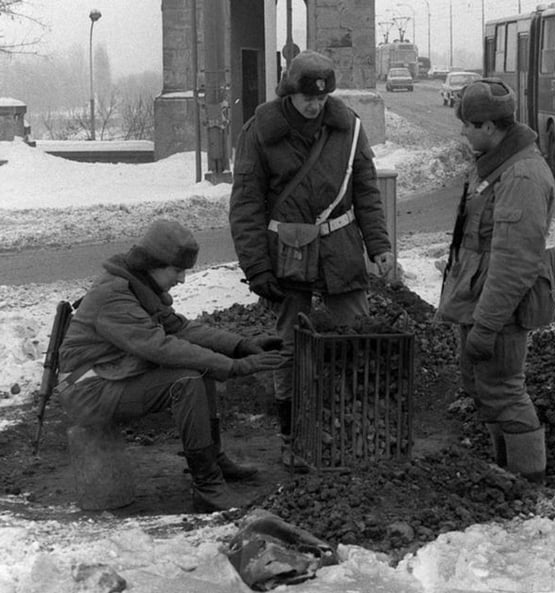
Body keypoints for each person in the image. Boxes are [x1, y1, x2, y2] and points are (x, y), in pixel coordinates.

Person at [229, 50, 395, 472]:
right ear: (289, 91)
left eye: (321, 98)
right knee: (289, 348)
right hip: (286, 253)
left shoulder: (350, 129)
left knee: (356, 336)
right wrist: (256, 267)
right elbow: (246, 205)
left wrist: (379, 247)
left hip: (340, 248)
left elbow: (367, 194)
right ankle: (291, 437)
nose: (314, 105)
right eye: (306, 97)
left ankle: (355, 426)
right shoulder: (259, 132)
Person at [58, 219, 285, 513]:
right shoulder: (114, 295)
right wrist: (234, 367)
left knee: (198, 368)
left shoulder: (137, 284)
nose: (182, 280)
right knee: (186, 380)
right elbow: (162, 347)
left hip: (109, 377)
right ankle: (207, 486)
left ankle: (213, 459)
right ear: (153, 264)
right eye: (177, 271)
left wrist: (241, 345)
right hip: (86, 391)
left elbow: (181, 329)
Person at [437, 79, 555, 483]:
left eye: (468, 125)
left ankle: (528, 483)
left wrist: (487, 326)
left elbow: (514, 263)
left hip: (498, 309)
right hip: (479, 299)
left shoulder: (521, 176)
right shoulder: (494, 165)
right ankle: (506, 474)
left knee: (505, 392)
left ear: (489, 127)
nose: (463, 132)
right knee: (484, 388)